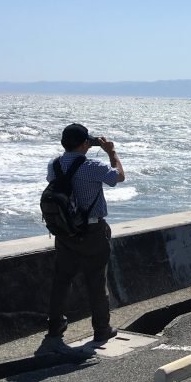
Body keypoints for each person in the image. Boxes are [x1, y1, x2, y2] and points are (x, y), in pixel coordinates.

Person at [36, 123, 126, 358]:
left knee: (61, 280)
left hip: (65, 232)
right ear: (85, 143)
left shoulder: (54, 165)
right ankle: (101, 329)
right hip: (93, 231)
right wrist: (111, 152)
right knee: (96, 280)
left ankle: (55, 328)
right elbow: (119, 177)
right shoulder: (93, 166)